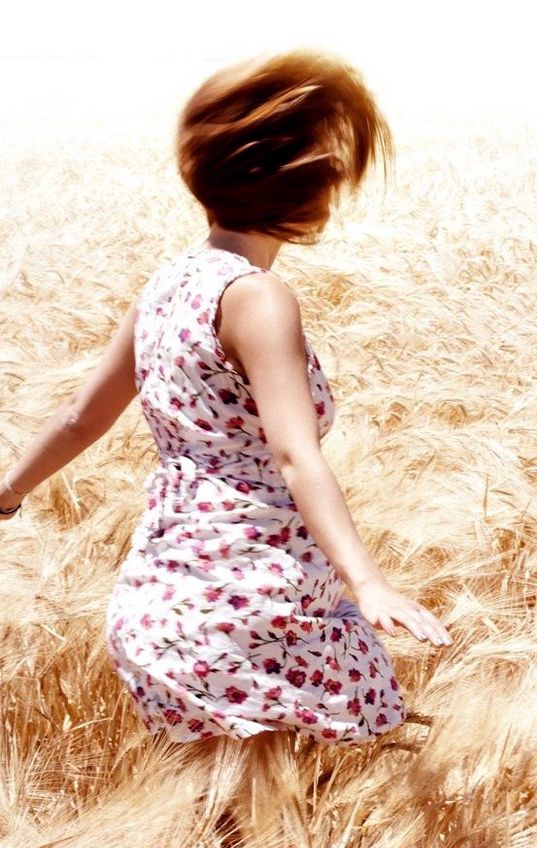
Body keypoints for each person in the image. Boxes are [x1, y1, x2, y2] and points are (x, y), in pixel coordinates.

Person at [0, 50, 452, 754]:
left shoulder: (168, 283)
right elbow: (293, 453)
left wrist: (6, 492)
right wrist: (368, 585)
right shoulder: (257, 297)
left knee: (227, 839)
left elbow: (80, 415)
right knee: (318, 815)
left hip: (161, 609)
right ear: (303, 186)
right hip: (262, 614)